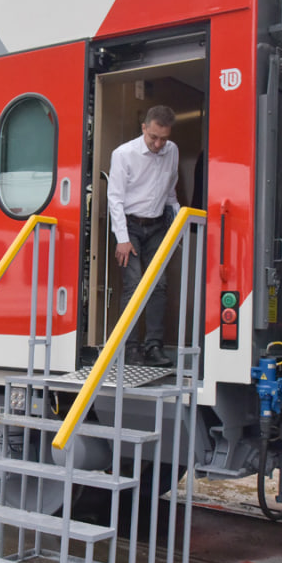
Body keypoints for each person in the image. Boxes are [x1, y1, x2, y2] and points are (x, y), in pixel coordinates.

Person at [107, 105, 181, 367]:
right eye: (153, 137)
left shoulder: (172, 151)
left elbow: (170, 192)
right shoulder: (124, 154)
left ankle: (154, 347)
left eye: (164, 138)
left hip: (158, 224)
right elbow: (114, 198)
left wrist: (177, 222)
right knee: (134, 284)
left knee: (159, 285)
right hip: (131, 226)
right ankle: (129, 348)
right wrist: (122, 238)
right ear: (144, 129)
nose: (158, 144)